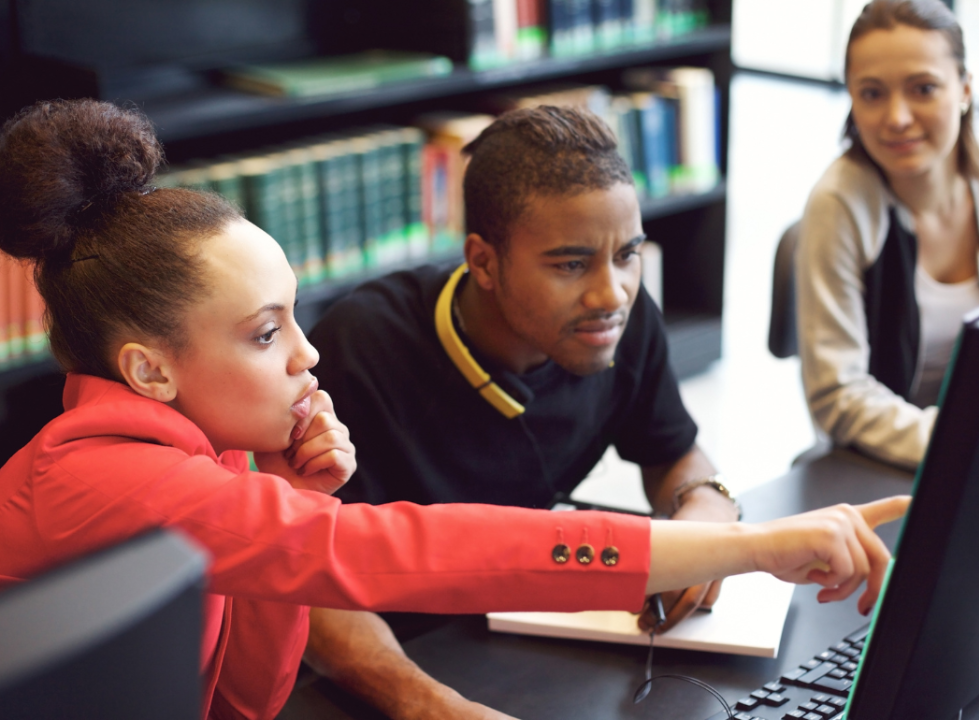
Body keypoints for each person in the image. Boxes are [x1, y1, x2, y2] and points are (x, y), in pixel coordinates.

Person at [0, 99, 907, 720]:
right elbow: (409, 551)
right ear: (150, 372)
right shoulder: (103, 476)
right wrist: (752, 548)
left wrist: (293, 496)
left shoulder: (215, 462)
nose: (308, 353)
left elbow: (242, 702)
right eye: (266, 332)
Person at [302, 106, 808, 719]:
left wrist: (707, 510)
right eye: (571, 264)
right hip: (400, 652)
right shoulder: (362, 348)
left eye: (628, 254)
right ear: (483, 262)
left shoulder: (619, 317)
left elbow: (672, 450)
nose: (611, 293)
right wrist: (427, 705)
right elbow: (310, 584)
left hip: (528, 630)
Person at [796, 0, 979, 470]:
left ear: (966, 89)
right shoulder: (839, 205)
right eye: (872, 93)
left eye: (923, 89)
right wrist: (962, 442)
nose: (896, 117)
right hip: (888, 465)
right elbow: (838, 395)